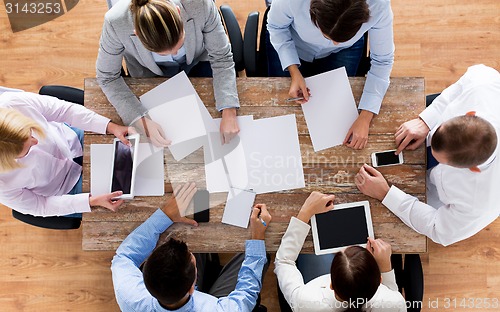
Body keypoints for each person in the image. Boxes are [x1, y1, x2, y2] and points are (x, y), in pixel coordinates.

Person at [355, 64, 500, 246]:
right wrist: (426, 121)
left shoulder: (480, 202)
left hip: (432, 198)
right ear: (469, 114)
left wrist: (386, 194)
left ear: (473, 169)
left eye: (442, 160)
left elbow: (437, 228)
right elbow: (461, 85)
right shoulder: (485, 84)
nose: (428, 150)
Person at [96, 0, 240, 145]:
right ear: (138, 35)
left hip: (198, 60)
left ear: (178, 12)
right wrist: (141, 120)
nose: (176, 53)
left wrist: (229, 111)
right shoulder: (115, 22)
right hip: (148, 73)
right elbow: (107, 77)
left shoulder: (199, 3)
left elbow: (221, 57)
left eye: (180, 43)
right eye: (163, 53)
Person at [111, 182, 272, 312]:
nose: (190, 252)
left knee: (195, 228)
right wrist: (257, 237)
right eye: (192, 263)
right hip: (214, 302)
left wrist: (164, 215)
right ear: (191, 288)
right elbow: (246, 295)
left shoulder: (130, 296)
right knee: (261, 254)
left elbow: (123, 257)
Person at [267, 0, 394, 150]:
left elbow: (383, 61)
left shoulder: (379, 4)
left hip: (345, 50)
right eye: (328, 37)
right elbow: (276, 26)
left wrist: (366, 117)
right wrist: (294, 71)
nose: (334, 44)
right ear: (313, 13)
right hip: (294, 42)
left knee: (337, 117)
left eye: (338, 40)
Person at [0, 89, 132, 217]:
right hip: (65, 189)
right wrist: (90, 201)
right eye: (27, 150)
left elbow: (63, 110)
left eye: (30, 132)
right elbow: (41, 206)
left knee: (135, 147)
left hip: (71, 139)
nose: (36, 142)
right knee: (129, 201)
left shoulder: (12, 103)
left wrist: (110, 127)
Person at [275, 191, 406, 311]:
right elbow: (391, 296)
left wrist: (306, 212)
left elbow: (284, 262)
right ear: (379, 280)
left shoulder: (305, 301)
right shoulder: (394, 304)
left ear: (331, 285)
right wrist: (385, 266)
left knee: (312, 252)